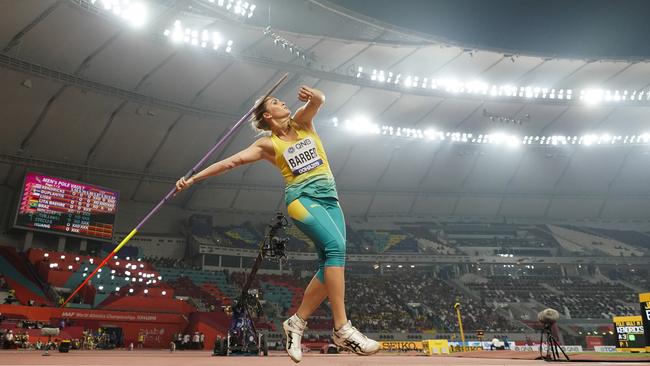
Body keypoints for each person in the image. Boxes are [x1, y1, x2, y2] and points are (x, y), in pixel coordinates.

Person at [175, 85, 380, 363]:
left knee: (331, 259)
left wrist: (315, 94)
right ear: (267, 116)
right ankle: (342, 328)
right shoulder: (267, 144)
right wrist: (192, 179)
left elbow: (319, 101)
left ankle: (296, 322)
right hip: (302, 199)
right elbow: (231, 162)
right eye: (274, 102)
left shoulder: (303, 122)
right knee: (335, 247)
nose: (281, 101)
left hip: (330, 199)